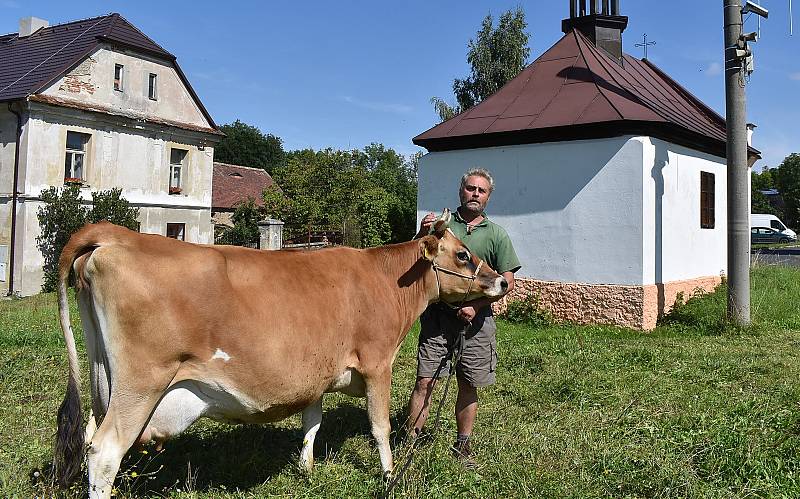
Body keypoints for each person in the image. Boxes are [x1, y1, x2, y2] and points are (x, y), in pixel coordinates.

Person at [407, 167, 520, 467]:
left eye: (481, 191)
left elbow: (507, 281)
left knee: (468, 383)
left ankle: (463, 446)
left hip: (476, 324)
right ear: (461, 191)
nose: (475, 194)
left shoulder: (496, 235)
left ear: (488, 197)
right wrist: (422, 230)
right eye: (471, 188)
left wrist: (478, 306)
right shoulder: (443, 227)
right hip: (437, 319)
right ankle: (412, 441)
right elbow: (417, 254)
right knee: (424, 382)